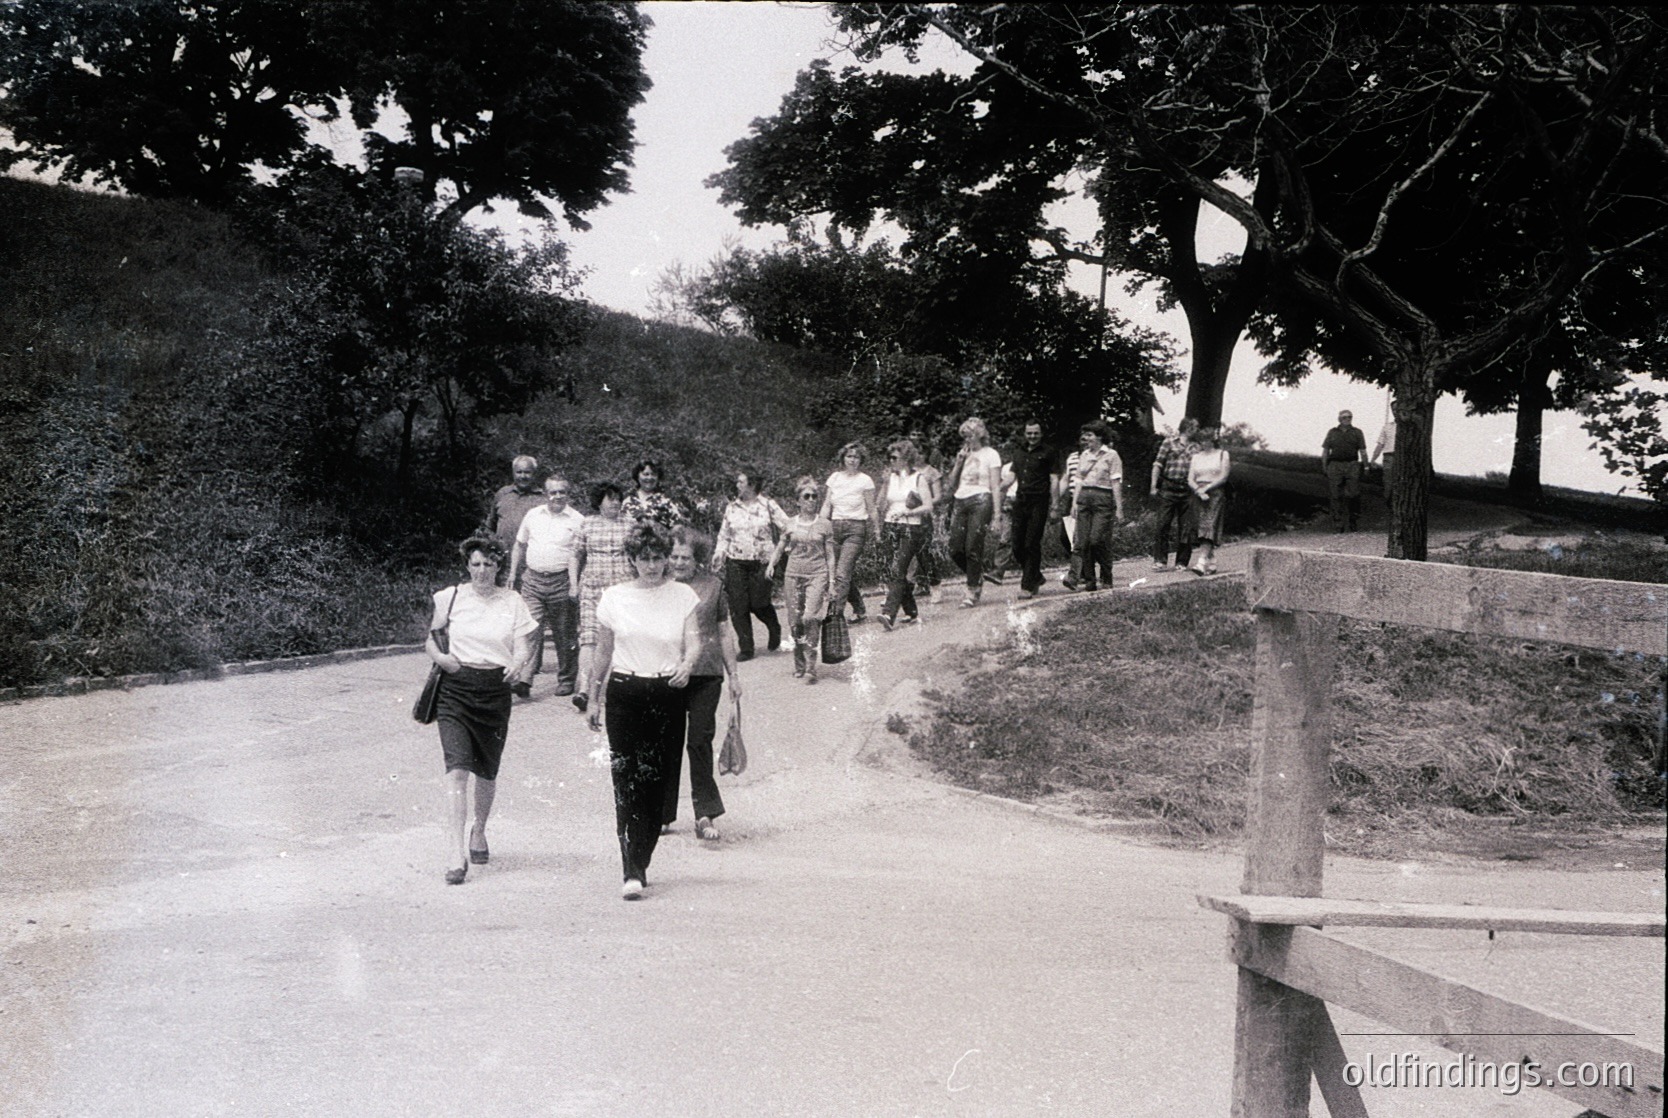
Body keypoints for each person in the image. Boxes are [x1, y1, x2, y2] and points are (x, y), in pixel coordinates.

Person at [585, 523, 700, 900]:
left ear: (667, 558)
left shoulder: (682, 595)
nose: (651, 565)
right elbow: (603, 651)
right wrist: (592, 696)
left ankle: (642, 854)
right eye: (643, 558)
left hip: (667, 692)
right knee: (626, 779)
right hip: (624, 692)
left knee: (658, 781)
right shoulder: (614, 597)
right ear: (631, 559)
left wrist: (687, 665)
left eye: (657, 557)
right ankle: (630, 867)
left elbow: (695, 642)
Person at [425, 536, 537, 885]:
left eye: (489, 564)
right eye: (476, 564)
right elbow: (432, 637)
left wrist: (518, 663)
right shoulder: (450, 597)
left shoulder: (513, 601)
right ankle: (455, 853)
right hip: (455, 690)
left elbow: (524, 645)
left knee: (486, 772)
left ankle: (480, 830)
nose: (482, 571)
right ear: (467, 566)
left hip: (494, 690)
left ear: (499, 566)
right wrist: (442, 659)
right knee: (457, 769)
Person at [664, 527, 737, 842]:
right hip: (666, 673)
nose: (678, 563)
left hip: (706, 674)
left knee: (698, 740)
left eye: (686, 557)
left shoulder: (713, 586)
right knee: (666, 743)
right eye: (674, 556)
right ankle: (663, 814)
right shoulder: (659, 586)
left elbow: (724, 633)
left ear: (699, 559)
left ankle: (704, 813)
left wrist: (734, 675)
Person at [509, 474, 584, 698]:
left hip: (561, 581)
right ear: (545, 494)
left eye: (562, 491)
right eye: (553, 492)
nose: (557, 496)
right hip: (532, 580)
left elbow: (580, 555)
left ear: (568, 494)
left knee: (564, 633)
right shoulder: (533, 515)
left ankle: (566, 679)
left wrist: (575, 584)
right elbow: (519, 545)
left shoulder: (578, 520)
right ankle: (524, 679)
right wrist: (513, 573)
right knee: (530, 629)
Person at [712, 467, 787, 660]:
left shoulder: (768, 505)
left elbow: (788, 527)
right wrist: (719, 553)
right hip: (736, 561)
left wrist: (784, 548)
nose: (737, 485)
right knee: (738, 605)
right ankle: (746, 647)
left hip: (763, 561)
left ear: (752, 485)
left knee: (759, 603)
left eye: (741, 482)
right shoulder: (732, 507)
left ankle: (774, 626)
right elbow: (724, 535)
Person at [573, 481, 634, 713]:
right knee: (589, 638)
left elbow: (639, 554)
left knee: (619, 639)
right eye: (610, 498)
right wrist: (573, 583)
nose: (616, 502)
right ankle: (584, 689)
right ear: (599, 502)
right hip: (592, 588)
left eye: (618, 498)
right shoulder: (587, 524)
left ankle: (617, 687)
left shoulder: (630, 524)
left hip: (622, 589)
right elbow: (575, 554)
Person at [769, 477, 836, 684]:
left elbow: (830, 555)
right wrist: (772, 564)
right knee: (795, 622)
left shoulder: (825, 524)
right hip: (793, 575)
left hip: (817, 574)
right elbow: (780, 547)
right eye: (806, 496)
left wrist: (832, 582)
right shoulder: (790, 524)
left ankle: (811, 666)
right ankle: (799, 663)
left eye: (814, 496)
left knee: (810, 617)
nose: (811, 500)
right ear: (798, 500)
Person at [944, 417, 1005, 607]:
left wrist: (997, 515)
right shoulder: (963, 454)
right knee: (954, 549)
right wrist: (958, 462)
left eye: (970, 436)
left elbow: (995, 486)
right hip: (961, 500)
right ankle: (977, 575)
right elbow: (951, 485)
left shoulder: (991, 454)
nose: (967, 440)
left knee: (973, 547)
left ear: (979, 435)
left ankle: (972, 591)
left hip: (982, 500)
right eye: (964, 436)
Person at [1062, 421, 1125, 593]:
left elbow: (1116, 482)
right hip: (1084, 499)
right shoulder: (1083, 456)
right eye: (1085, 435)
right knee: (1082, 541)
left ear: (1099, 437)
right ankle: (1090, 580)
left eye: (1089, 435)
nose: (1085, 438)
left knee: (1096, 540)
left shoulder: (1112, 456)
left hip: (1103, 499)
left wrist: (1119, 508)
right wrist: (1074, 503)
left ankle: (1106, 574)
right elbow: (1078, 481)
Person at [820, 442, 879, 623]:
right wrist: (820, 526)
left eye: (856, 457)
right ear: (843, 458)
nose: (852, 460)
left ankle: (835, 615)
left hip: (856, 529)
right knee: (840, 573)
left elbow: (871, 507)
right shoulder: (835, 478)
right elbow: (827, 505)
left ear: (861, 460)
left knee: (842, 573)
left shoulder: (865, 480)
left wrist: (877, 530)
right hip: (834, 528)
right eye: (849, 456)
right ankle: (860, 609)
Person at [877, 438, 931, 628]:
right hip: (890, 524)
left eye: (895, 458)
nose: (891, 462)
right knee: (893, 570)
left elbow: (928, 506)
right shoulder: (890, 478)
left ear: (906, 458)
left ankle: (888, 613)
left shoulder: (918, 478)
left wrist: (908, 511)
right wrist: (884, 485)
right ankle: (911, 612)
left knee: (898, 569)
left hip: (911, 526)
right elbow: (880, 505)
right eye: (890, 458)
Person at [1007, 420, 1060, 597]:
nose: (1032, 436)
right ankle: (1036, 575)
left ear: (1041, 434)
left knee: (1031, 543)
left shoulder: (1049, 452)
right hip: (1020, 501)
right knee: (1016, 545)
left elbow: (1054, 480)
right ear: (1025, 433)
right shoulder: (1018, 452)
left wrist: (1055, 505)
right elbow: (1011, 477)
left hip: (1039, 501)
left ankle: (1027, 586)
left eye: (1035, 433)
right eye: (1029, 433)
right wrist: (996, 490)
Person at [1149, 417, 1200, 572]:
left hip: (1188, 490)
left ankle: (1182, 561)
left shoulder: (1197, 448)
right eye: (1196, 427)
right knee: (1163, 524)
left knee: (1186, 528)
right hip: (1168, 487)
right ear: (1188, 427)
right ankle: (1160, 560)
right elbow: (1158, 464)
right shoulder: (1169, 442)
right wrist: (1153, 485)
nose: (1197, 430)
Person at [1188, 426, 1231, 575]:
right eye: (1201, 440)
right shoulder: (1196, 457)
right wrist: (1198, 490)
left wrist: (1207, 489)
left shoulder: (1222, 455)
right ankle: (1211, 562)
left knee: (1210, 526)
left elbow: (1223, 476)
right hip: (1198, 494)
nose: (1204, 443)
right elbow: (1190, 478)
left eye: (1207, 440)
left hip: (1215, 493)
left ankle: (1201, 562)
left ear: (1213, 440)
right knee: (1201, 527)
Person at [485, 455, 544, 559]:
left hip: (530, 561)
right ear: (513, 473)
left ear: (534, 474)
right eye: (519, 472)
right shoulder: (502, 494)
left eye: (527, 472)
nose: (523, 476)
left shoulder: (542, 499)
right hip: (501, 558)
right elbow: (490, 526)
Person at [1322, 409, 1368, 531]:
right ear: (1339, 419)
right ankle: (1338, 524)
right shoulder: (1332, 432)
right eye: (1344, 417)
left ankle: (1353, 520)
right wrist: (1324, 466)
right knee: (1335, 495)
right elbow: (1326, 450)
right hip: (1335, 464)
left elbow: (1362, 450)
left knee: (1353, 493)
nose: (1347, 419)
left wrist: (1366, 465)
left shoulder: (1357, 432)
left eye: (1349, 417)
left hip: (1352, 464)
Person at [623, 459, 688, 530]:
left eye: (653, 474)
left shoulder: (666, 501)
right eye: (646, 474)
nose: (649, 478)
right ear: (637, 476)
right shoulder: (628, 501)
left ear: (658, 477)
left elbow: (678, 528)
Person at [1372, 403, 1397, 498]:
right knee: (1388, 482)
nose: (1395, 412)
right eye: (1393, 410)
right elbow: (1380, 444)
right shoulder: (1387, 427)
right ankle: (1387, 503)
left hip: (1403, 458)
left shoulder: (1408, 428)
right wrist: (1373, 459)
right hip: (1389, 457)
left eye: (1397, 409)